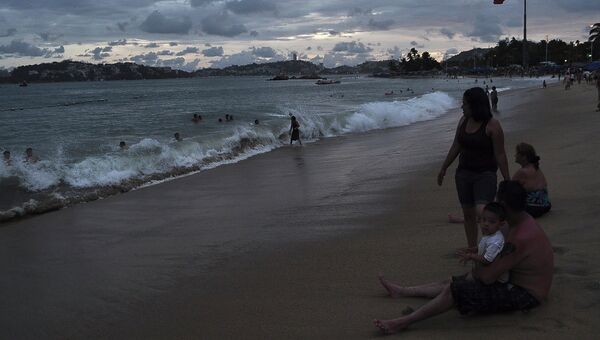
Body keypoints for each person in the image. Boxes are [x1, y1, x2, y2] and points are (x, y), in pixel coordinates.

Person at [374, 181, 554, 335]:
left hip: (526, 294)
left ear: (505, 206)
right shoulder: (519, 220)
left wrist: (474, 259)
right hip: (514, 280)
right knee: (454, 280)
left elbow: (487, 277)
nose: (494, 203)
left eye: (497, 201)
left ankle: (404, 322)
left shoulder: (520, 237)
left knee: (457, 289)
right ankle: (403, 291)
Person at [438, 87, 510, 249]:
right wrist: (444, 167)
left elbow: (500, 155)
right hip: (463, 174)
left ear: (475, 105)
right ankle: (473, 249)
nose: (461, 107)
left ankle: (500, 245)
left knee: (484, 213)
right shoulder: (463, 121)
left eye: (464, 104)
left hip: (485, 174)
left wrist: (507, 180)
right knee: (468, 214)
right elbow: (456, 145)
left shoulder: (492, 126)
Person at [456, 202, 509, 284]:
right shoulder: (490, 235)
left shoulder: (495, 241)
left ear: (501, 224)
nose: (486, 224)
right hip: (486, 274)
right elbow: (485, 247)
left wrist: (471, 256)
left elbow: (487, 260)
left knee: (456, 284)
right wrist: (473, 249)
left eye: (492, 222)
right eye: (483, 220)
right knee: (453, 282)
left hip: (495, 282)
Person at [512, 142, 551, 217]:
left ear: (524, 157)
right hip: (545, 205)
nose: (515, 155)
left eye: (517, 153)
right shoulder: (537, 169)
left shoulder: (522, 172)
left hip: (532, 208)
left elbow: (508, 189)